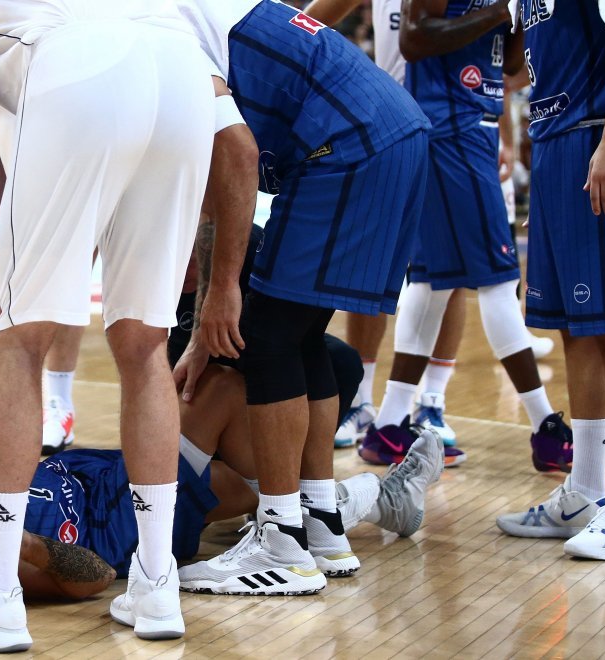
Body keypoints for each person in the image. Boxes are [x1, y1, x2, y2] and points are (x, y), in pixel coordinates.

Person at [0, 0, 226, 649]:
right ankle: (156, 584)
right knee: (145, 344)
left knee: (18, 339)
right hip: (182, 73)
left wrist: (5, 263)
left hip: (84, 65)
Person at [166, 0, 428, 598]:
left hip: (347, 142)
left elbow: (236, 156)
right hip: (384, 132)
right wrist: (208, 310)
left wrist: (222, 292)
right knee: (300, 335)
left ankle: (281, 540)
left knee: (267, 341)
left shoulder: (158, 28)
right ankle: (322, 524)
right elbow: (214, 194)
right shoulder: (193, 18)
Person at [0, 374, 444, 599]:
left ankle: (355, 507)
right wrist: (24, 547)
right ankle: (375, 499)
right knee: (229, 401)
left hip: (91, 467)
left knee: (230, 412)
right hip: (120, 526)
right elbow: (90, 581)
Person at [357, 0, 574, 474]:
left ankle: (389, 424)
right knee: (499, 282)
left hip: (473, 126)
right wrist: (497, 12)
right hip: (451, 131)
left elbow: (511, 65)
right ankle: (545, 428)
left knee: (432, 284)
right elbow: (414, 38)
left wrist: (517, 17)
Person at [497, 0, 605, 562]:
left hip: (598, 140)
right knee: (575, 330)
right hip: (554, 148)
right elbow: (522, 68)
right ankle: (586, 490)